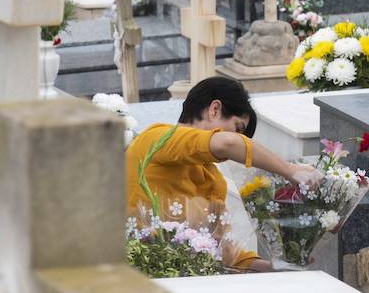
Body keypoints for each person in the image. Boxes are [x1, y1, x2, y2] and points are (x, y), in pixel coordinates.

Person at [125, 78, 323, 272]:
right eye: (237, 130)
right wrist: (291, 170)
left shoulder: (212, 177)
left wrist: (275, 268)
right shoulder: (157, 138)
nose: (237, 140)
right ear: (215, 110)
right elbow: (226, 143)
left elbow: (225, 252)